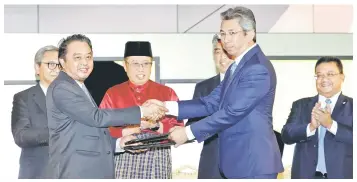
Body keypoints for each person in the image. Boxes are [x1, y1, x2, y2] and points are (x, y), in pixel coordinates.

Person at [146, 6, 284, 179]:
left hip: (252, 162)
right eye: (223, 34)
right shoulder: (237, 65)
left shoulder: (256, 68)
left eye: (232, 33)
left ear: (250, 34)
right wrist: (166, 107)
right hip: (239, 162)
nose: (226, 40)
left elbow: (232, 112)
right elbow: (210, 102)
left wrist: (188, 133)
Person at [45, 34, 167, 179]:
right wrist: (142, 111)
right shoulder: (62, 87)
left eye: (88, 57)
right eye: (77, 58)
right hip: (76, 173)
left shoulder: (79, 87)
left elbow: (89, 134)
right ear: (62, 61)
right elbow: (96, 117)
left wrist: (119, 144)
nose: (85, 62)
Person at [99, 41, 183, 179]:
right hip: (124, 153)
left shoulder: (167, 93)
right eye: (135, 64)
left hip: (157, 153)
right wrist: (126, 131)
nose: (141, 68)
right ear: (125, 66)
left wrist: (156, 126)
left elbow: (179, 129)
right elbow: (99, 129)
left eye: (146, 63)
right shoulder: (113, 93)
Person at [281, 56, 353, 179]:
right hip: (305, 176)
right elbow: (286, 135)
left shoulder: (353, 106)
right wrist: (311, 127)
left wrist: (330, 125)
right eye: (319, 75)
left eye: (330, 74)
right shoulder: (301, 105)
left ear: (342, 77)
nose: (324, 79)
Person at [185, 34, 234, 179]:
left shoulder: (250, 84)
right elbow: (193, 123)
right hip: (212, 164)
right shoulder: (203, 87)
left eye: (227, 52)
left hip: (244, 163)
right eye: (218, 52)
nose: (222, 58)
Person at [11, 45, 60, 179]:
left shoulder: (76, 98)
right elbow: (21, 135)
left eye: (60, 65)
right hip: (40, 174)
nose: (57, 70)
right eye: (51, 64)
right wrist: (58, 132)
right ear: (37, 68)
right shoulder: (24, 98)